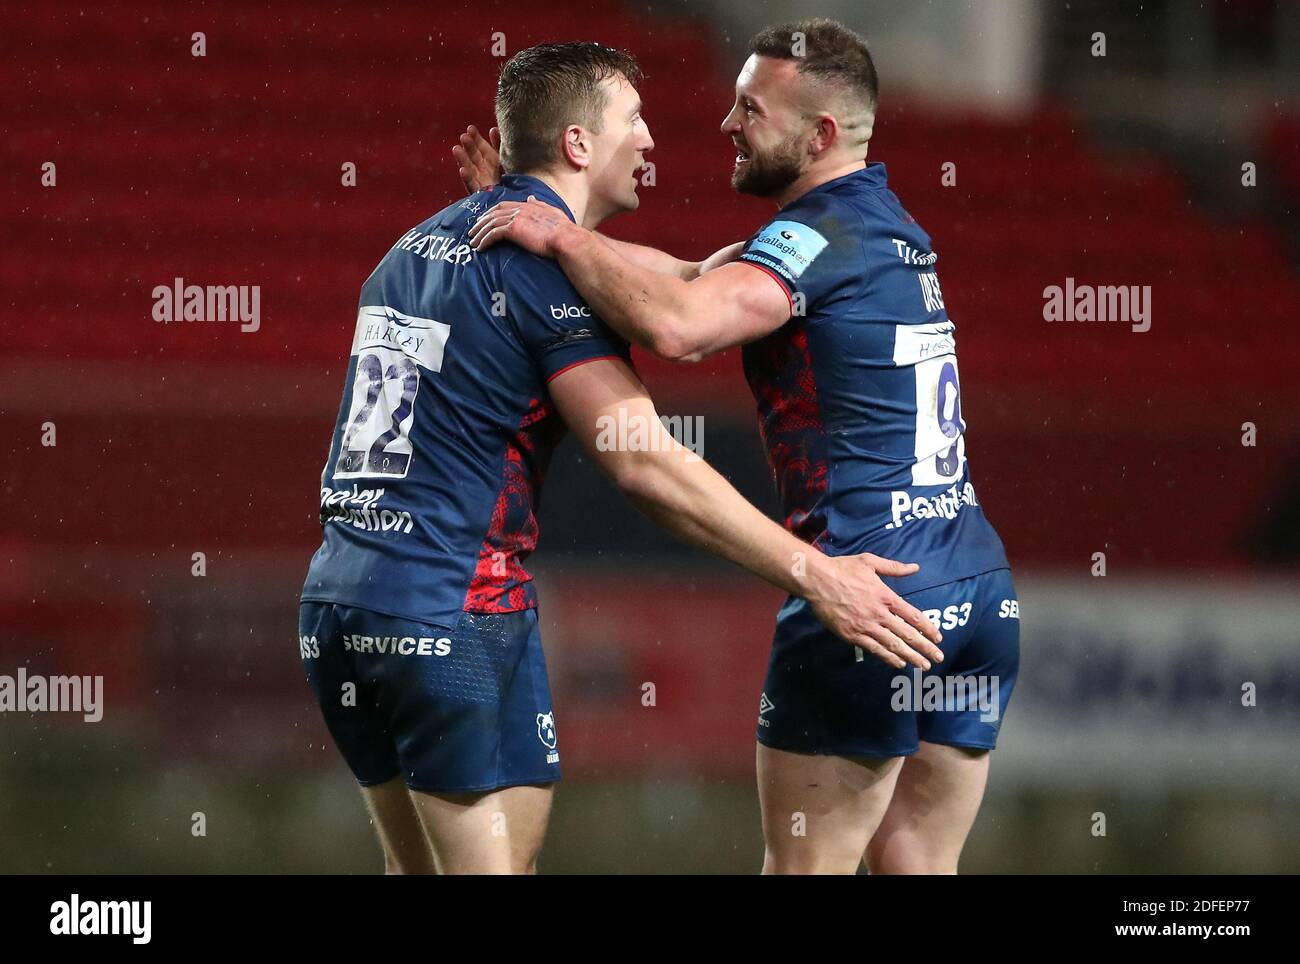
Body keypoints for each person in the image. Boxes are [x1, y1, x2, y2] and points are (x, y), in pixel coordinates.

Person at [299, 40, 942, 875]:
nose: (649, 142)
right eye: (633, 123)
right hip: (451, 605)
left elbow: (687, 276)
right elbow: (644, 462)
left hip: (340, 599)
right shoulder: (547, 277)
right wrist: (816, 573)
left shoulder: (410, 249)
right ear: (576, 145)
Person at [463, 19, 1018, 875]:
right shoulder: (882, 229)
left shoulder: (814, 238)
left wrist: (567, 238)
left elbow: (679, 327)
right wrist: (540, 212)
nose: (727, 124)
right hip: (973, 590)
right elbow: (690, 276)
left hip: (868, 595)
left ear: (820, 134)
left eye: (751, 109)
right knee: (919, 866)